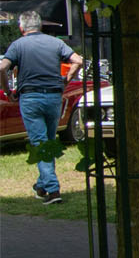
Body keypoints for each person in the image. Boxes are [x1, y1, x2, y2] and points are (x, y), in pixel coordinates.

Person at [0, 11, 83, 204]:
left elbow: (2, 67)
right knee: (48, 142)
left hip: (30, 97)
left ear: (22, 27)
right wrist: (66, 81)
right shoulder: (55, 43)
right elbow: (77, 61)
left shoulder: (18, 45)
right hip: (54, 97)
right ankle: (42, 186)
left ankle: (53, 191)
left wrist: (7, 91)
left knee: (40, 143)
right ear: (39, 26)